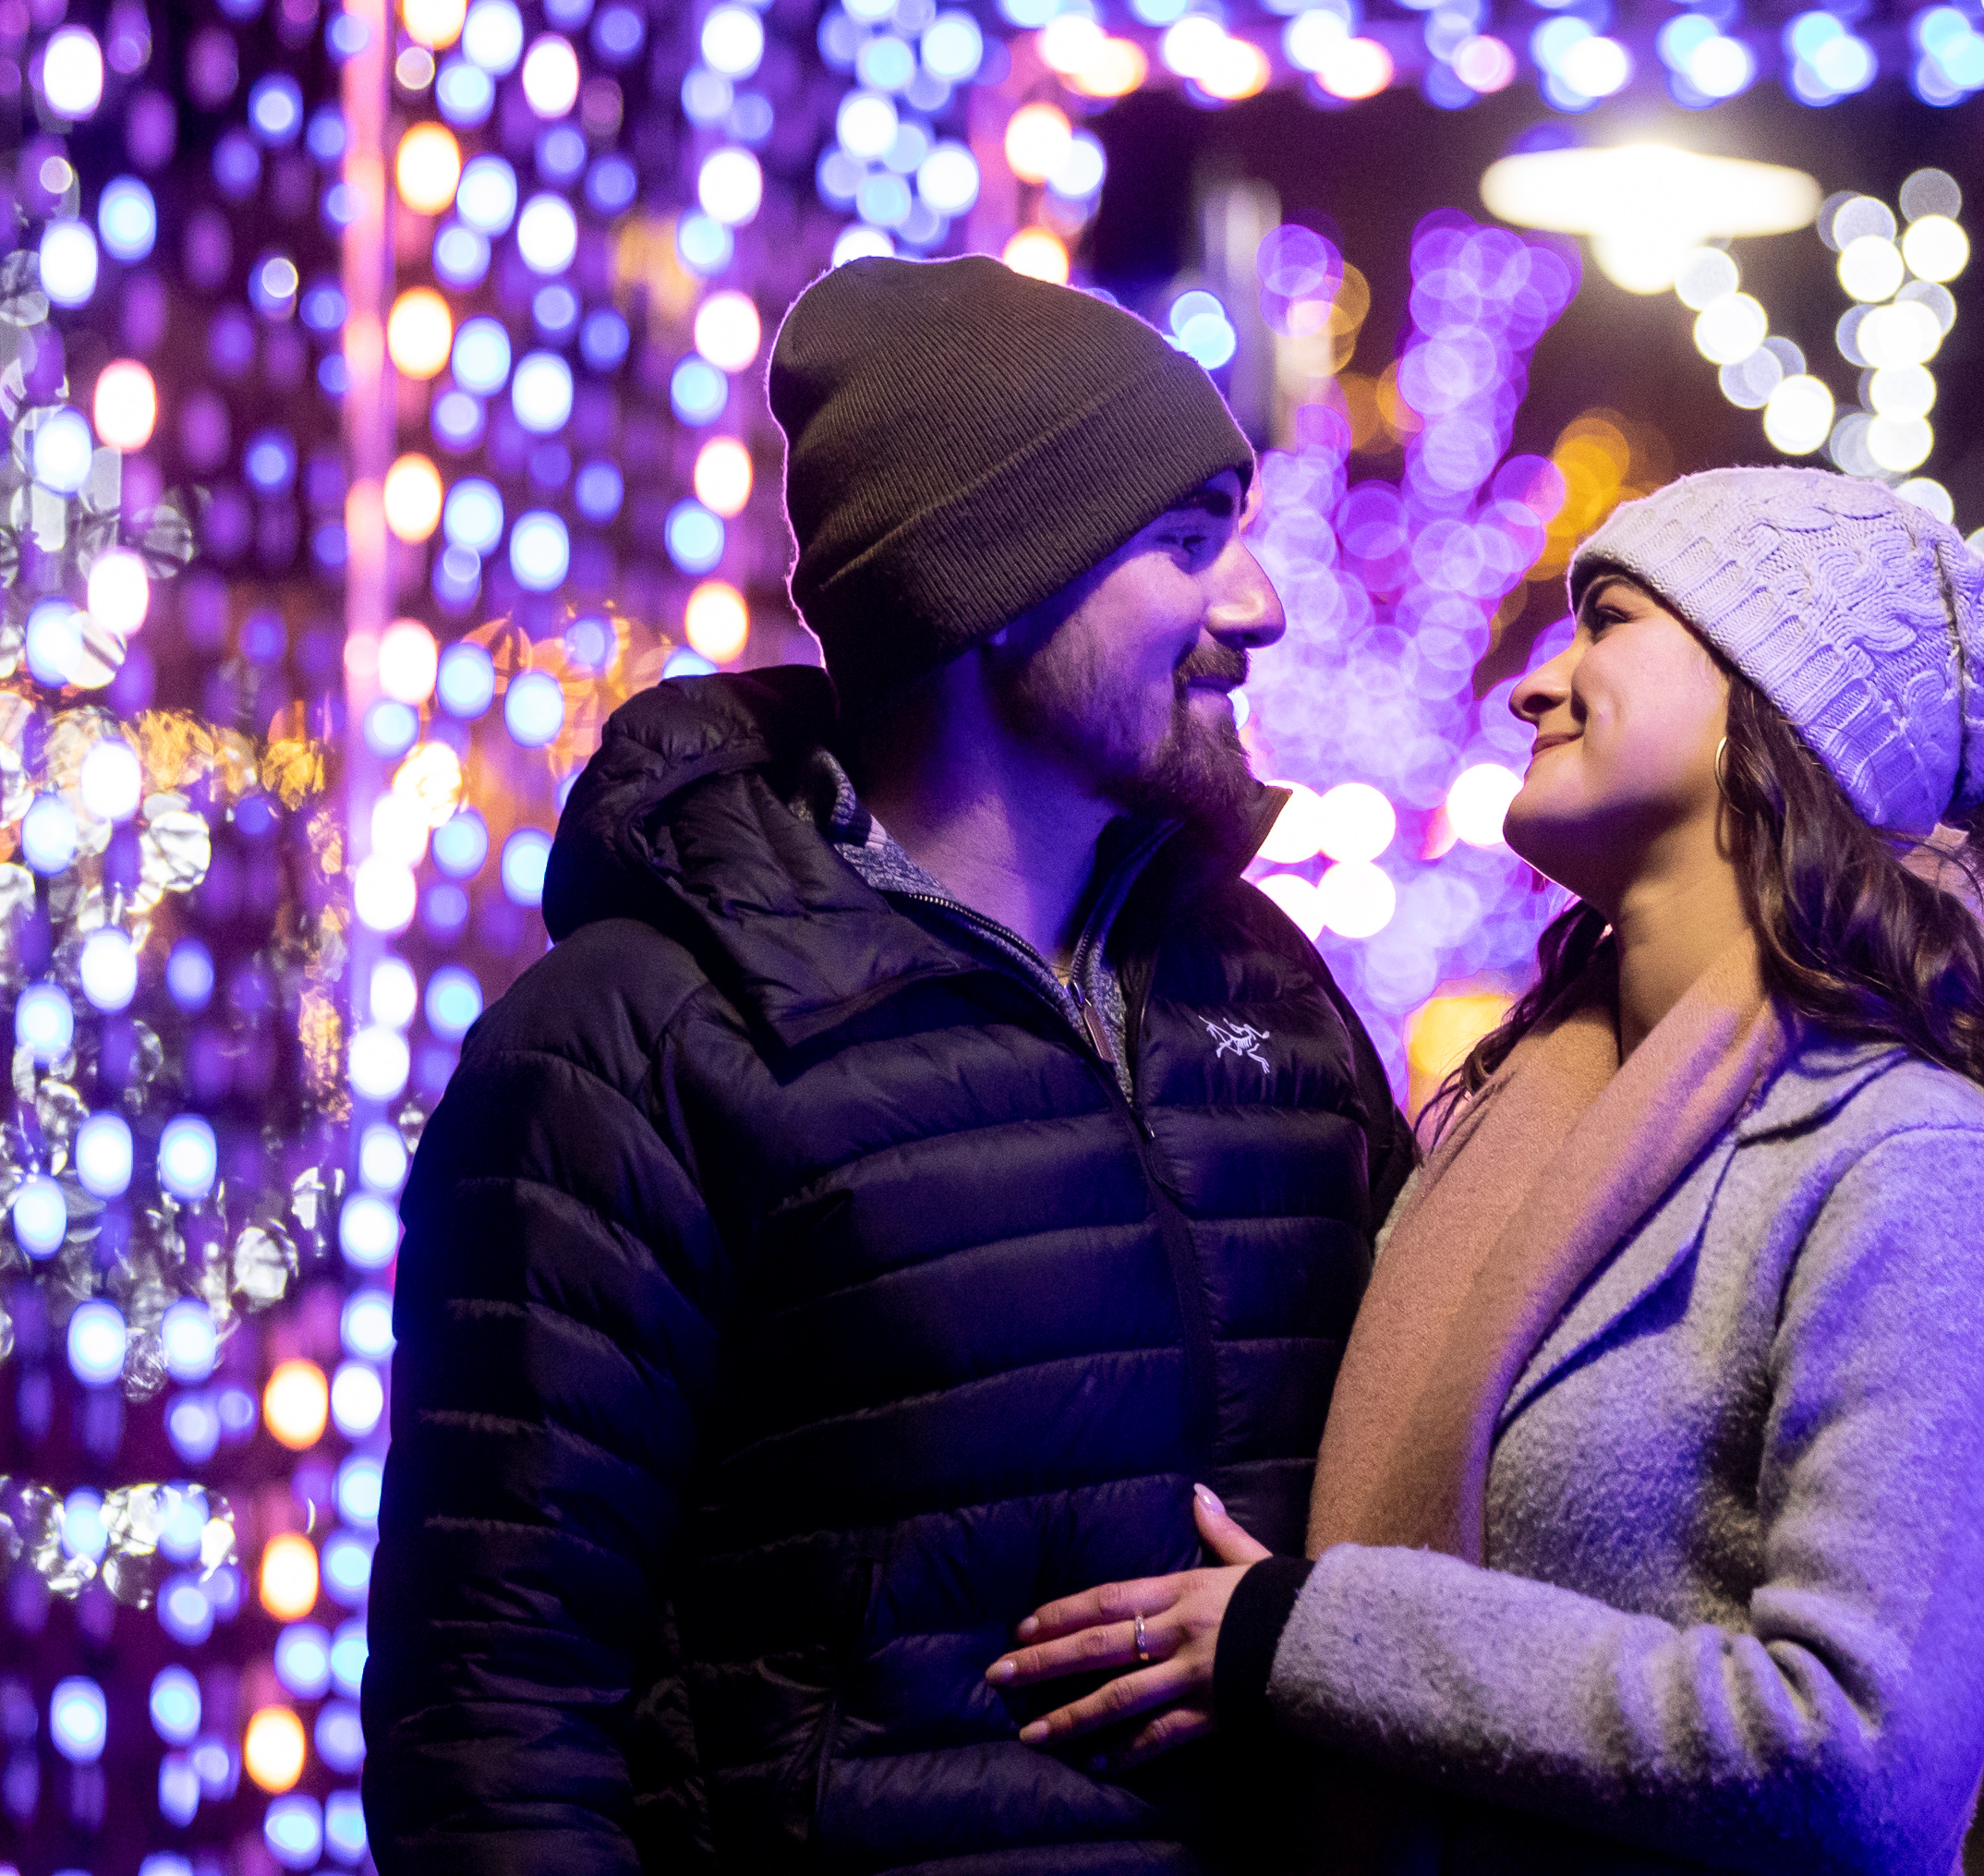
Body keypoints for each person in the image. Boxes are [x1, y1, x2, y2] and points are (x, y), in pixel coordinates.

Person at [986, 465, 1984, 1873]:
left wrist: (1311, 1637)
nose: (1536, 686)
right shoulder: (1514, 1120)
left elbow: (1857, 1760)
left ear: (1778, 709)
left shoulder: (1915, 1162)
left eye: (1613, 625)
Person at [367, 255, 1414, 1875]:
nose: (1258, 604)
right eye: (1188, 543)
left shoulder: (1268, 994)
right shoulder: (635, 1049)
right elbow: (493, 1731)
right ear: (991, 587)